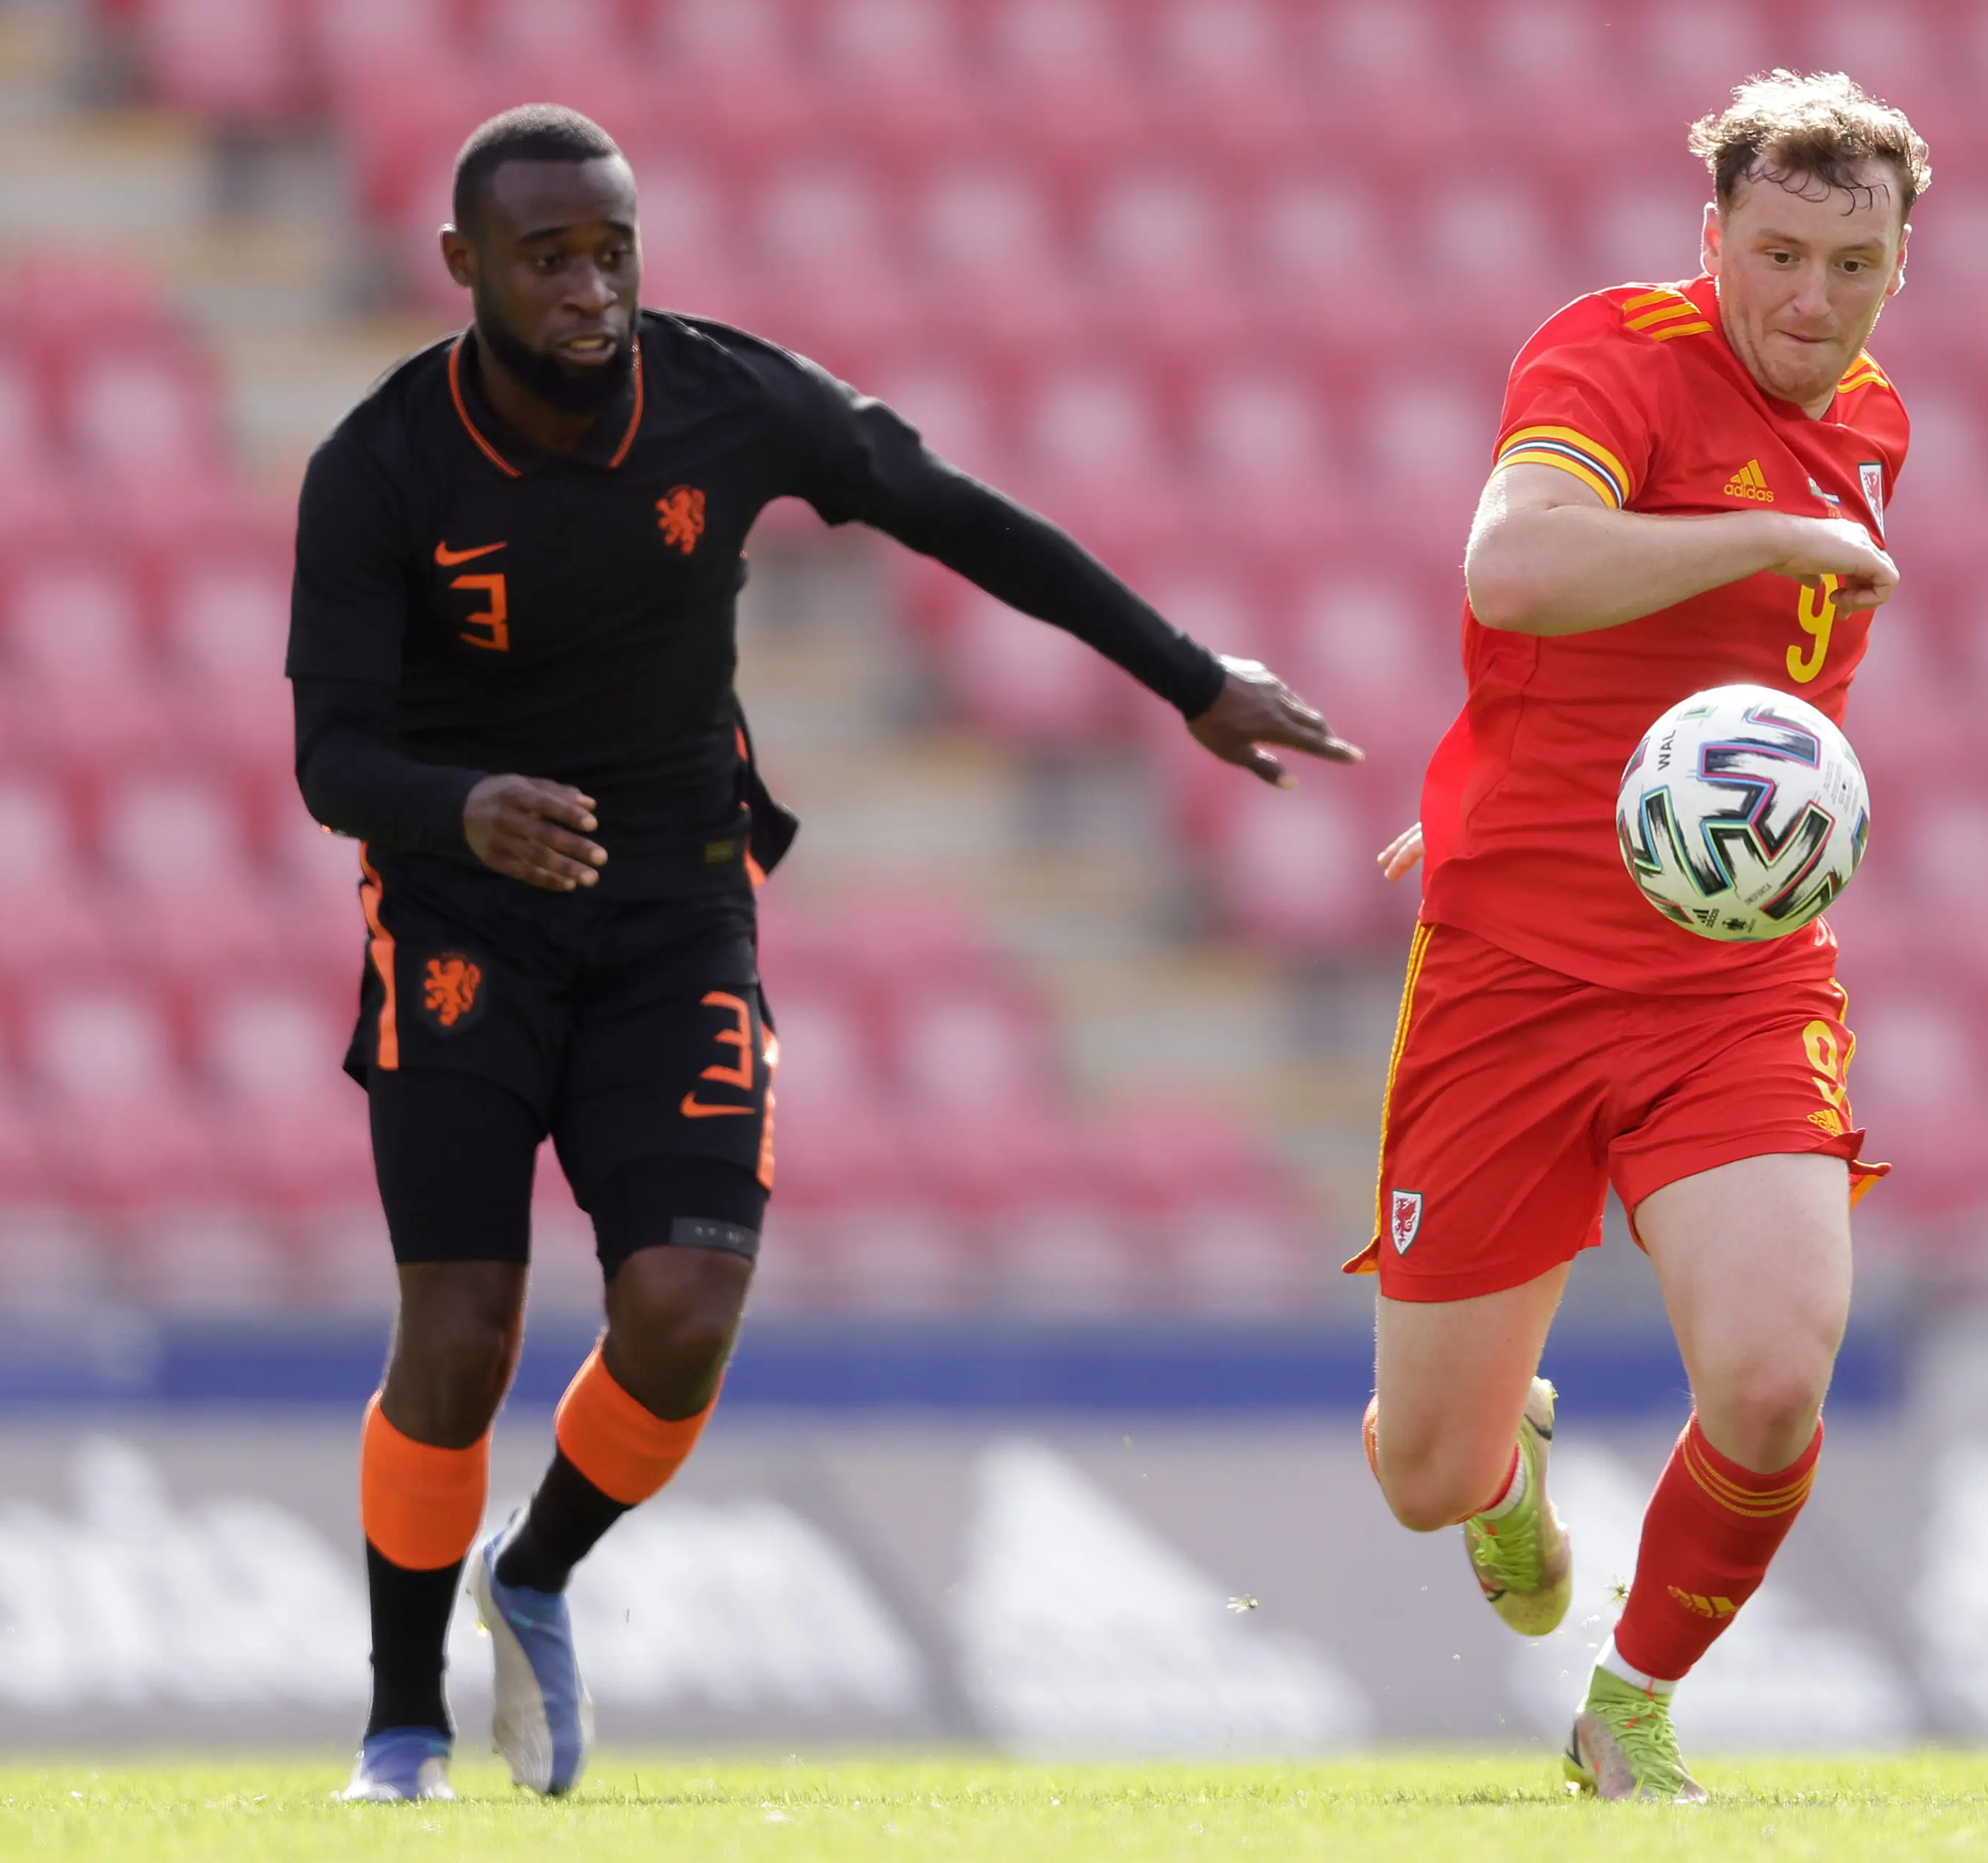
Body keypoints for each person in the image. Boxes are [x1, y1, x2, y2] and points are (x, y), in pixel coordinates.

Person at [290, 104, 1357, 1803]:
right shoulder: (381, 467)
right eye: (547, 257)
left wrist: (1183, 673)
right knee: (465, 1327)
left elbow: (956, 514)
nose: (589, 286)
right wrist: (461, 805)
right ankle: (402, 1723)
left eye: (612, 248)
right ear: (462, 269)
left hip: (676, 912)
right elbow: (330, 758)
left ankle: (539, 1569)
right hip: (458, 919)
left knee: (685, 1307)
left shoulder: (732, 397)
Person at [1354, 72, 1923, 1802]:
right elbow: (1515, 570)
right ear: (1714, 240)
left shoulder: (1876, 418)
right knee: (1427, 1473)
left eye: (1852, 262)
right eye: (1778, 252)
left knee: (1768, 1374)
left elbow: (1749, 715)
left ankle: (1634, 1705)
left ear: (1901, 265)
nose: (1810, 300)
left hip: (1731, 982)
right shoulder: (1611, 353)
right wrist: (1771, 530)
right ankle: (1506, 1467)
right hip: (1512, 972)